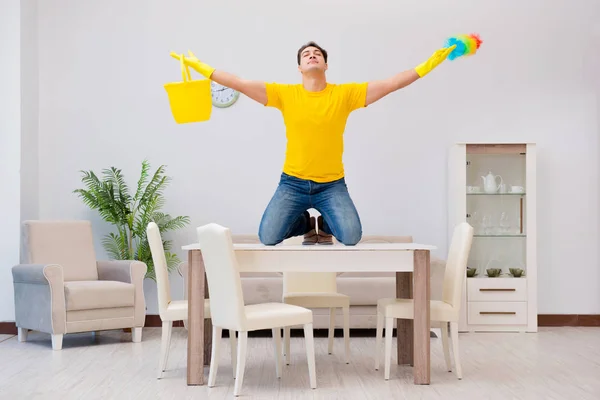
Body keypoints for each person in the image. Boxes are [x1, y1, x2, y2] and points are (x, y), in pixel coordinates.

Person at [171, 41, 455, 246]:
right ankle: (308, 223)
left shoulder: (345, 94)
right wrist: (204, 69)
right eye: (306, 54)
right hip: (292, 183)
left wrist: (429, 63)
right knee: (268, 237)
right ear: (299, 67)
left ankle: (325, 225)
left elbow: (392, 83)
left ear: (326, 64)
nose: (312, 55)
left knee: (351, 237)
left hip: (332, 185)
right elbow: (240, 83)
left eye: (317, 53)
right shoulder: (285, 94)